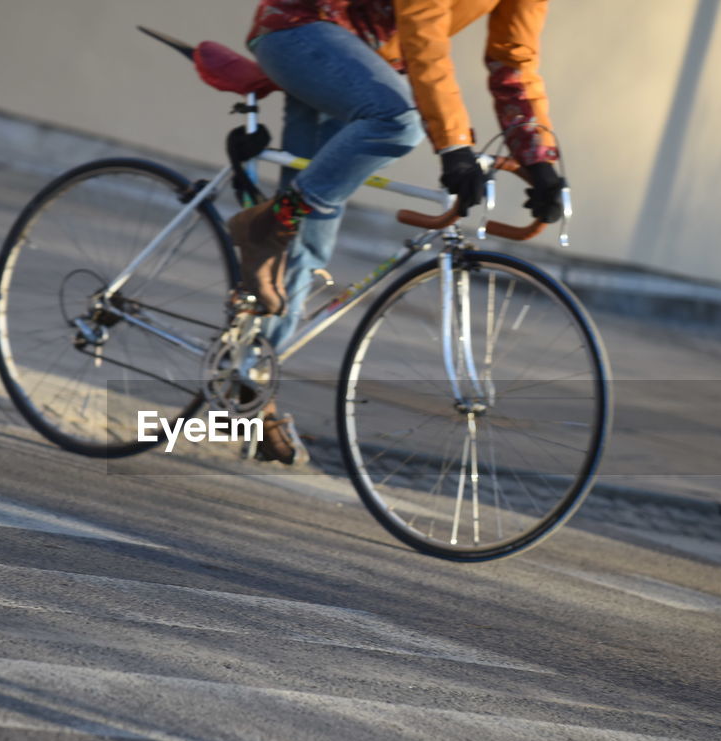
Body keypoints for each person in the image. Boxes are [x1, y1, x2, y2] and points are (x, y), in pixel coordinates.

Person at [232, 0, 566, 464]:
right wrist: (454, 146)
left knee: (309, 245)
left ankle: (251, 389)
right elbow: (424, 30)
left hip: (365, 58)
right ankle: (266, 223)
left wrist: (540, 159)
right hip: (301, 27)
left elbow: (513, 59)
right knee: (396, 121)